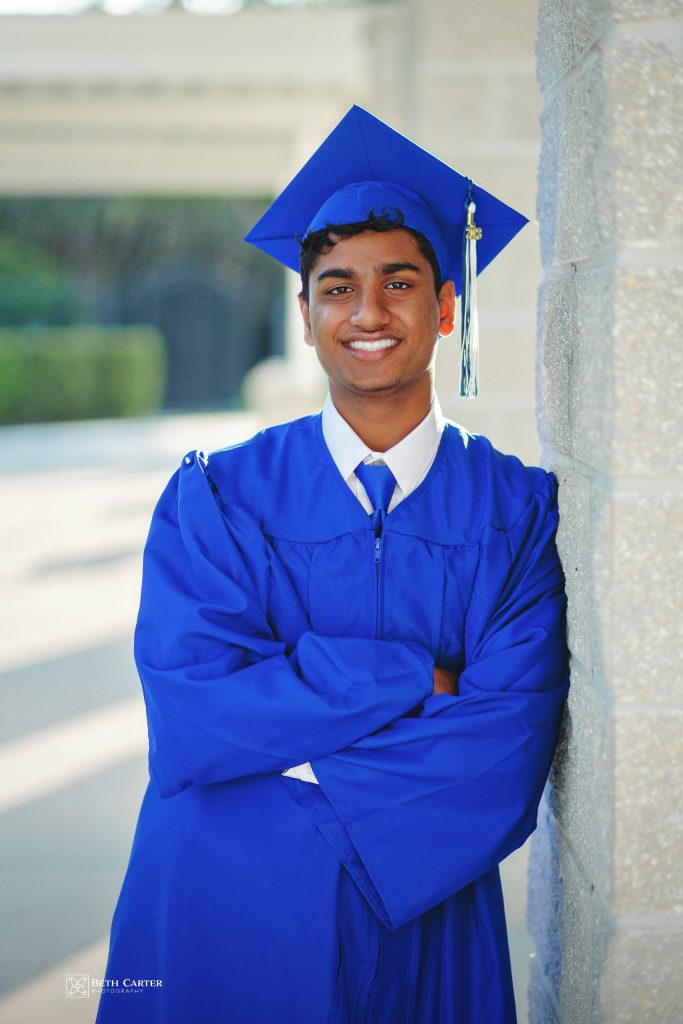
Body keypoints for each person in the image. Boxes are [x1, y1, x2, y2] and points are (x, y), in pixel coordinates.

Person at [95, 106, 569, 1024]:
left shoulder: (511, 512)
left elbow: (505, 749)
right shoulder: (219, 499)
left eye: (398, 282)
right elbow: (195, 717)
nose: (368, 312)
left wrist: (290, 766)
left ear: (444, 307)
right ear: (306, 317)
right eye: (336, 287)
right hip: (223, 905)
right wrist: (413, 678)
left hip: (422, 914)